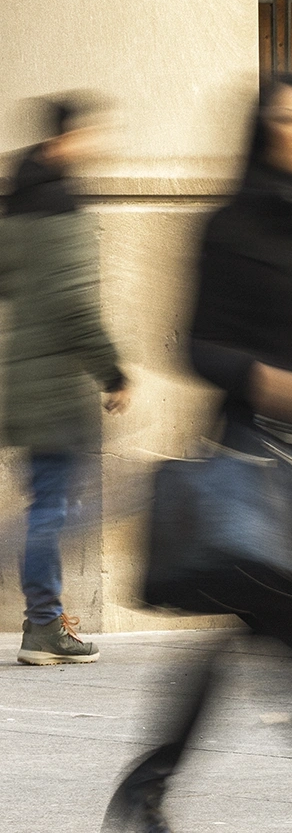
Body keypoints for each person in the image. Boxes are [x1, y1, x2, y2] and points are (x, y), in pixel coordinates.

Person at [104, 74, 292, 833]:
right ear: (274, 130)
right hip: (255, 464)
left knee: (255, 633)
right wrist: (270, 381)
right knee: (288, 633)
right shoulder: (233, 226)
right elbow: (198, 346)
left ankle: (145, 789)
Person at [1, 92, 130, 665]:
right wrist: (113, 372)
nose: (97, 146)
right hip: (56, 384)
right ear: (64, 140)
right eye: (91, 135)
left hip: (25, 378)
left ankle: (45, 620)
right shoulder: (62, 207)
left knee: (47, 501)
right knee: (55, 506)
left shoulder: (17, 204)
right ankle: (45, 625)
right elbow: (76, 306)